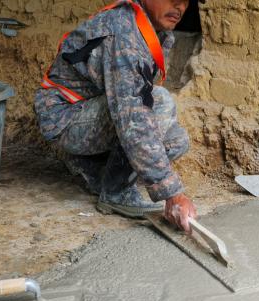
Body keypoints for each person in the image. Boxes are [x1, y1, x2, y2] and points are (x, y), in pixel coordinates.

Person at [34, 0, 197, 233]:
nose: (179, 6)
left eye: (185, 0)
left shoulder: (152, 29)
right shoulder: (123, 31)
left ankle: (92, 168)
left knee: (176, 141)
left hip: (95, 113)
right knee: (159, 101)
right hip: (66, 118)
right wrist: (171, 193)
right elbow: (133, 118)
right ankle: (115, 192)